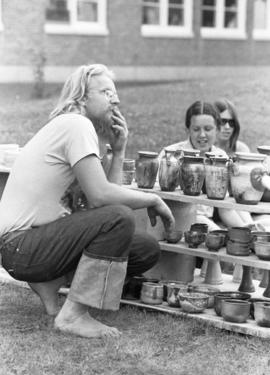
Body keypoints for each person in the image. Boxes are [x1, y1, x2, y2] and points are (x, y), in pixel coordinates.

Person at [0, 63, 175, 339]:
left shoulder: (76, 128)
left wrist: (119, 152)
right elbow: (102, 198)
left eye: (115, 94)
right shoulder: (76, 124)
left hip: (30, 246)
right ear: (81, 97)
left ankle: (50, 281)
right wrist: (151, 199)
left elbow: (101, 205)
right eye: (106, 92)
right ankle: (73, 315)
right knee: (120, 218)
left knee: (144, 248)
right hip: (21, 246)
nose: (115, 99)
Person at [160, 100, 228, 231]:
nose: (202, 135)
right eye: (196, 129)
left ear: (217, 129)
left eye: (208, 129)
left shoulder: (220, 156)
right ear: (187, 130)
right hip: (180, 217)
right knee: (222, 236)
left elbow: (226, 206)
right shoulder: (170, 155)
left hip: (209, 218)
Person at [213, 98, 270, 230]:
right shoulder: (209, 150)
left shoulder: (241, 149)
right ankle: (248, 228)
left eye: (231, 122)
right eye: (223, 122)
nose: (227, 127)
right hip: (217, 206)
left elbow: (249, 185)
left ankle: (250, 227)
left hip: (240, 203)